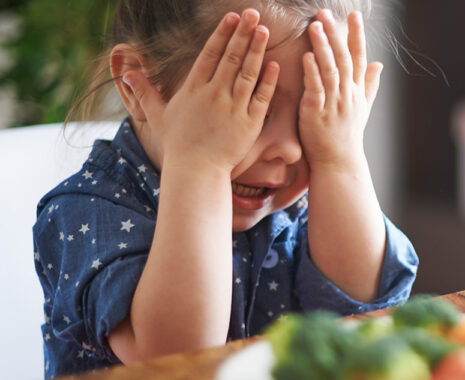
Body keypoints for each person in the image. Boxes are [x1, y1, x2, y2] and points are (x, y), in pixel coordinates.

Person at [32, 1, 418, 377]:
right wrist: (200, 165)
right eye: (250, 108)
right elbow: (180, 359)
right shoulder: (85, 211)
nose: (290, 149)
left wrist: (339, 157)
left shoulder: (297, 195)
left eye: (311, 116)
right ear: (137, 87)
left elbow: (364, 308)